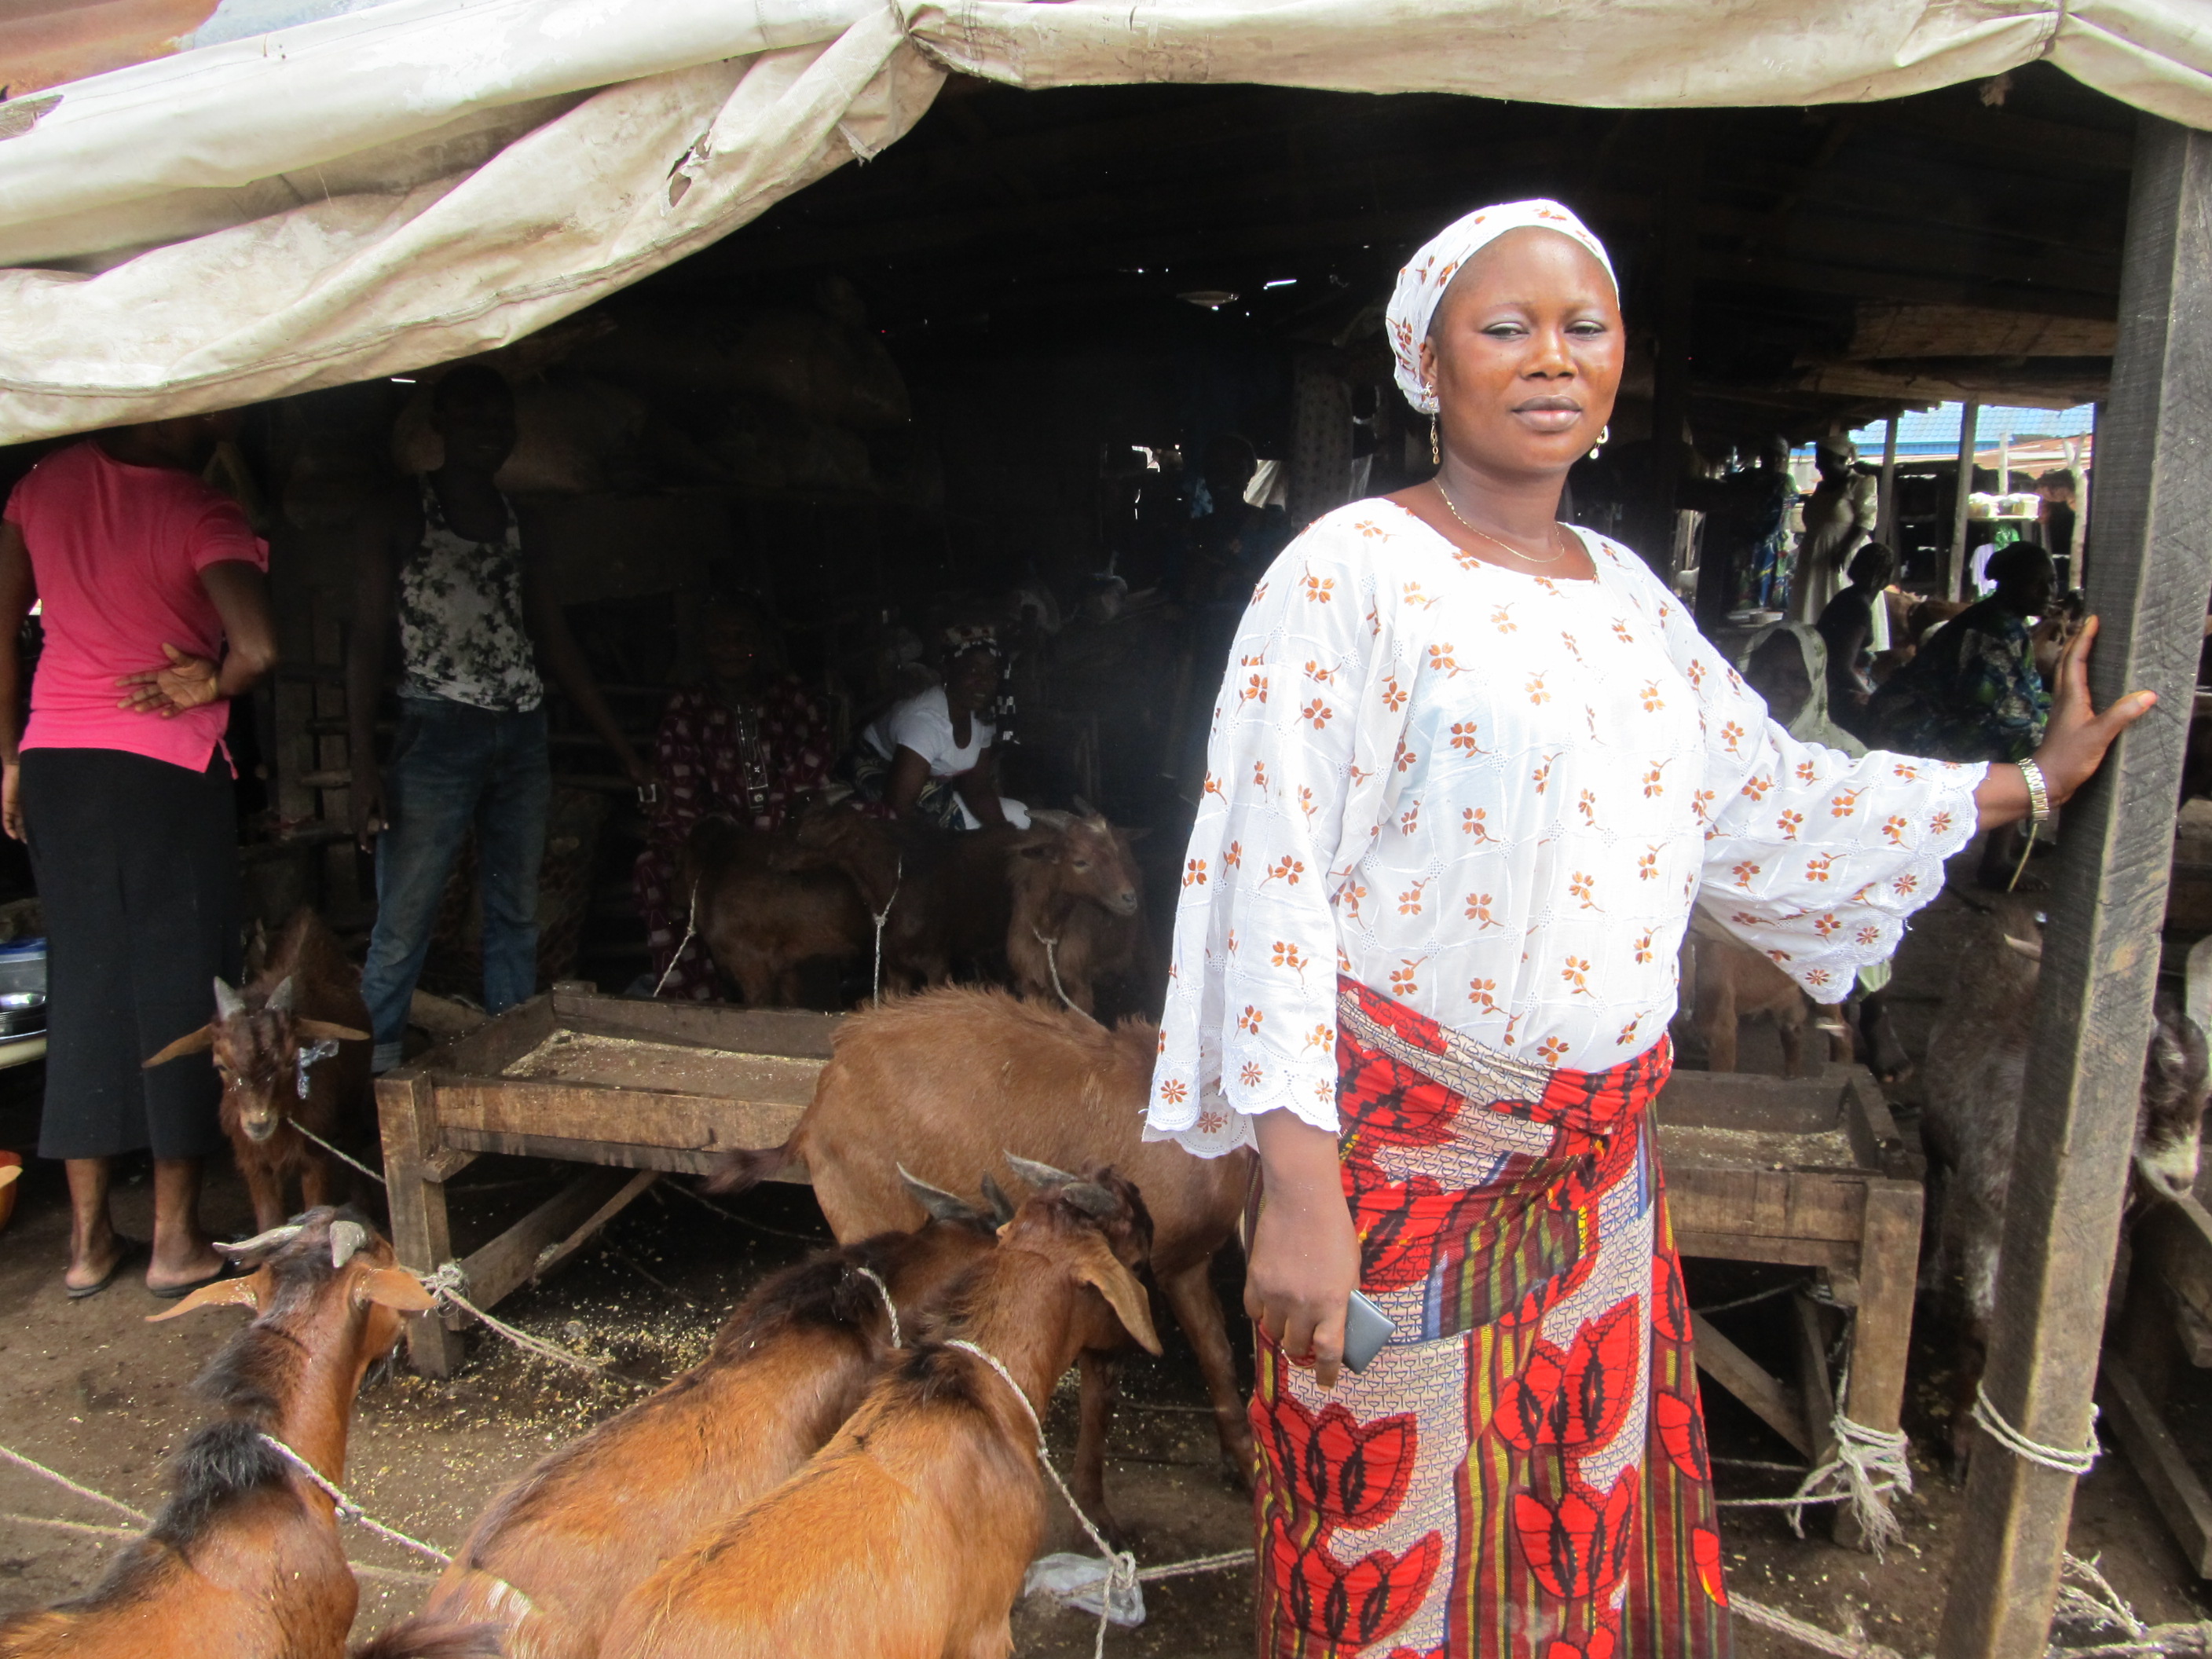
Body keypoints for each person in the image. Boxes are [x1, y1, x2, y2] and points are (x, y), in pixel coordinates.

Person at [1143, 200, 2149, 1659]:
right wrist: (1297, 1184)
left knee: (1566, 1532)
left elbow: (1768, 802)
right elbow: (1270, 876)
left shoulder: (1629, 600)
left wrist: (2027, 781)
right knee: (1383, 1537)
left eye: (1584, 327)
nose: (1550, 358)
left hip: (1596, 1192)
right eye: (1506, 327)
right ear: (1428, 362)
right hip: (1400, 1179)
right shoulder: (1345, 574)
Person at [0, 411, 278, 1298]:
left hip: (57, 766)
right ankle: (174, 1243)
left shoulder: (42, 483)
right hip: (163, 770)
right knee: (180, 990)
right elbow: (261, 646)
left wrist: (9, 758)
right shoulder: (202, 512)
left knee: (83, 985)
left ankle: (87, 1247)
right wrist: (218, 678)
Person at [348, 365, 650, 1071]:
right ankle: (373, 1072)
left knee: (515, 913)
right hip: (435, 730)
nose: (490, 430)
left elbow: (553, 637)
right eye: (473, 415)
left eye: (500, 418)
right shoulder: (397, 511)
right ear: (439, 425)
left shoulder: (523, 523)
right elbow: (364, 641)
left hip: (521, 731)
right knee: (405, 920)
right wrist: (365, 764)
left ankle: (508, 1060)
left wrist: (622, 750)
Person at [634, 595, 830, 999]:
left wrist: (774, 814)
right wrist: (722, 835)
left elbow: (816, 753)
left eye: (743, 637)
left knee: (869, 830)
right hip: (720, 831)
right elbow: (679, 781)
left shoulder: (789, 695)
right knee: (654, 868)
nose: (731, 647)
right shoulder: (687, 705)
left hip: (791, 819)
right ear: (703, 646)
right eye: (719, 638)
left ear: (761, 644)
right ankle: (695, 995)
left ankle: (848, 980)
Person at [1738, 624, 1912, 1079]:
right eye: (1766, 674)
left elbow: (1870, 842)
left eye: (1796, 678)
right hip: (1740, 878)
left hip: (1819, 879)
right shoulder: (1727, 744)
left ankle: (1874, 1015)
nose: (1780, 688)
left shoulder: (1844, 752)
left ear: (1815, 685)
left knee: (1868, 903)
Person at [1865, 541, 2056, 766]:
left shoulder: (2008, 622)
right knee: (2035, 756)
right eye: (2035, 582)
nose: (2048, 592)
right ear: (2010, 584)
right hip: (1907, 728)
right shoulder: (1993, 631)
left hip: (1922, 719)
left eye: (2051, 581)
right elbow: (2010, 716)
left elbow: (2027, 694)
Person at [841, 631, 1027, 830]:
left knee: (1020, 816)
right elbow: (898, 807)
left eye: (993, 672)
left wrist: (1004, 832)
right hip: (881, 788)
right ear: (948, 671)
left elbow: (977, 788)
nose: (985, 681)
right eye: (973, 670)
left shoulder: (982, 716)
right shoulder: (925, 722)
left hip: (929, 793)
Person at [1789, 434, 1878, 624]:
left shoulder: (1860, 483)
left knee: (1838, 601)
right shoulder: (1822, 487)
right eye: (1818, 459)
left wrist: (1844, 549)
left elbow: (1866, 520)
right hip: (1814, 554)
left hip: (1841, 555)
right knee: (1813, 603)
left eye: (1823, 460)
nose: (1818, 465)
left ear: (1841, 460)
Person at [1815, 540, 1897, 732]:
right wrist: (1873, 700)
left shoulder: (1849, 596)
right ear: (1886, 576)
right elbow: (1841, 668)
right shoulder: (1858, 608)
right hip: (1833, 687)